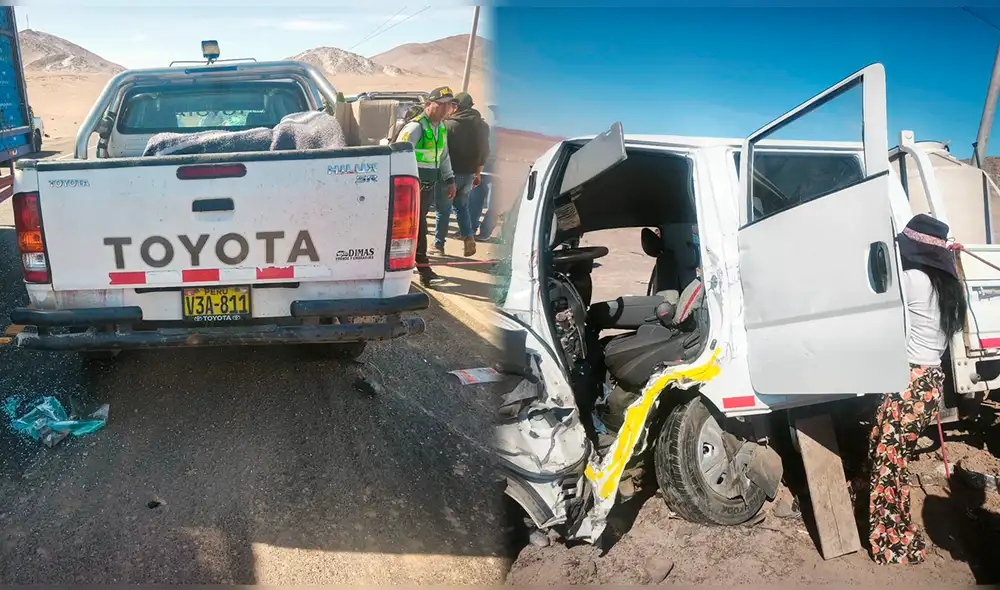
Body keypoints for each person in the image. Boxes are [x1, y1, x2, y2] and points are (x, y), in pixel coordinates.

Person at [867, 213, 967, 565]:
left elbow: (883, 267)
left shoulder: (913, 280)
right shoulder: (948, 286)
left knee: (887, 465)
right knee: (889, 456)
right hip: (928, 384)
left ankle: (893, 541)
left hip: (909, 384)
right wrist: (950, 256)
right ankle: (894, 530)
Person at [394, 86, 458, 287]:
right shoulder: (415, 128)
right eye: (441, 105)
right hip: (411, 189)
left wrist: (450, 179)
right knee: (417, 228)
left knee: (418, 227)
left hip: (428, 186)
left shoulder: (440, 128)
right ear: (429, 105)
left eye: (449, 105)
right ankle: (424, 270)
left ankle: (417, 267)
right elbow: (398, 155)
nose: (445, 109)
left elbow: (443, 155)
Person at [438, 92, 490, 257]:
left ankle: (439, 245)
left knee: (443, 210)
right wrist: (478, 173)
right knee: (462, 207)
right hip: (469, 174)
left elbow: (442, 152)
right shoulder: (482, 126)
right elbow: (484, 152)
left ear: (456, 106)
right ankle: (469, 239)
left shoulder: (448, 125)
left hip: (449, 175)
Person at [469, 104, 497, 241]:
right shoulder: (485, 126)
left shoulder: (484, 126)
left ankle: (481, 231)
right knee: (478, 202)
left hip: (491, 172)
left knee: (485, 203)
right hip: (483, 170)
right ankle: (476, 231)